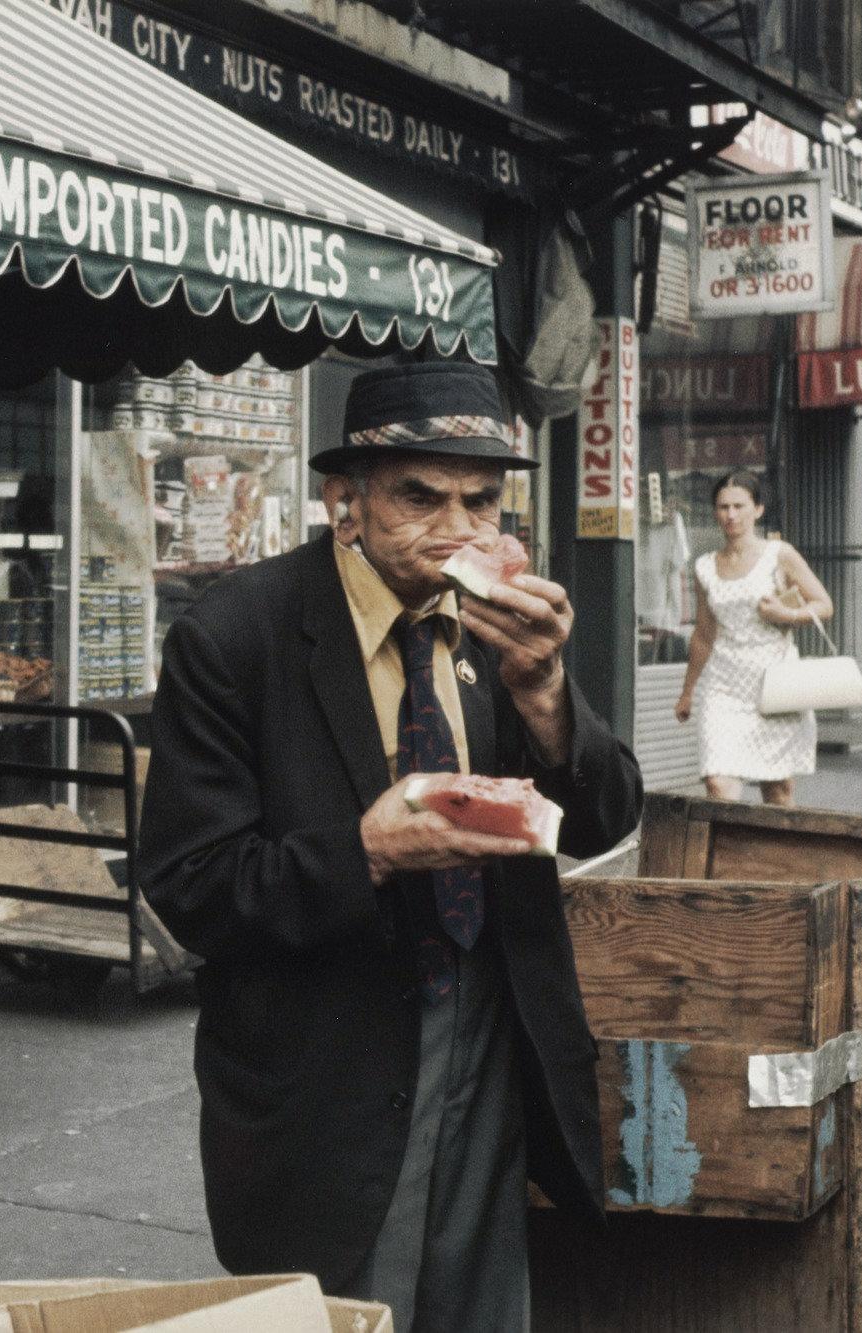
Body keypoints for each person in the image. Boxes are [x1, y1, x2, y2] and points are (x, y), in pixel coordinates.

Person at [140, 363, 643, 1332]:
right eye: (419, 494)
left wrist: (544, 698)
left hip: (491, 1029)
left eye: (480, 499)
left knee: (480, 1307)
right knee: (346, 1308)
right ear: (345, 499)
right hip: (326, 1057)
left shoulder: (500, 631)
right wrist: (362, 851)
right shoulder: (233, 639)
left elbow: (606, 813)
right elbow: (189, 885)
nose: (456, 526)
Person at [674, 470, 834, 807]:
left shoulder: (779, 555)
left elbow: (825, 605)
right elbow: (704, 634)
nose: (730, 515)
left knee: (777, 792)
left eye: (738, 506)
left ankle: (782, 860)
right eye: (722, 507)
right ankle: (732, 860)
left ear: (758, 510)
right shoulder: (704, 566)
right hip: (724, 687)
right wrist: (687, 692)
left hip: (774, 683)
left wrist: (786, 615)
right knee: (718, 784)